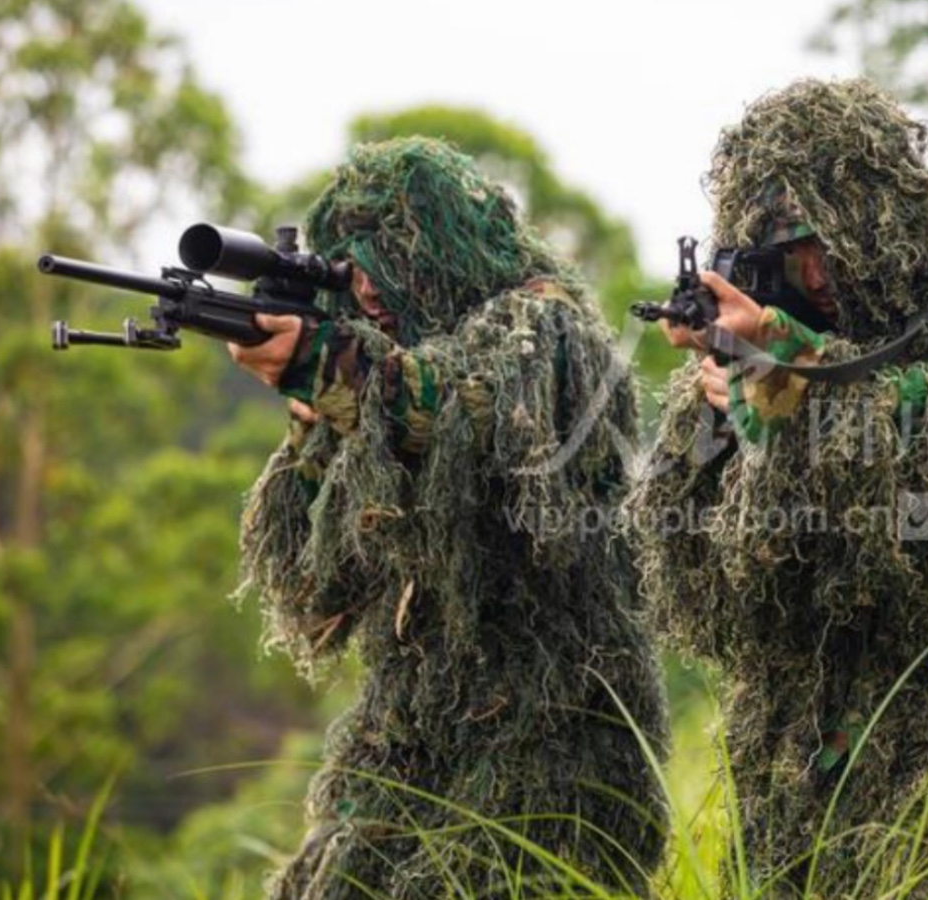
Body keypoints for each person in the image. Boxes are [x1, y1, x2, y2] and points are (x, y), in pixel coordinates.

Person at [630, 79, 928, 896]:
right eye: (784, 253)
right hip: (798, 725)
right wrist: (732, 394)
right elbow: (698, 540)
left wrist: (790, 366)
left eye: (819, 238)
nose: (811, 269)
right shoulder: (765, 347)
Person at [231, 137, 668, 898]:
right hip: (414, 719)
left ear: (441, 245)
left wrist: (329, 366)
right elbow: (317, 580)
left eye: (386, 253)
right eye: (349, 264)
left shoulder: (546, 323)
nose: (365, 284)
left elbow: (460, 408)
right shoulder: (380, 370)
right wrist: (312, 420)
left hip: (550, 725)